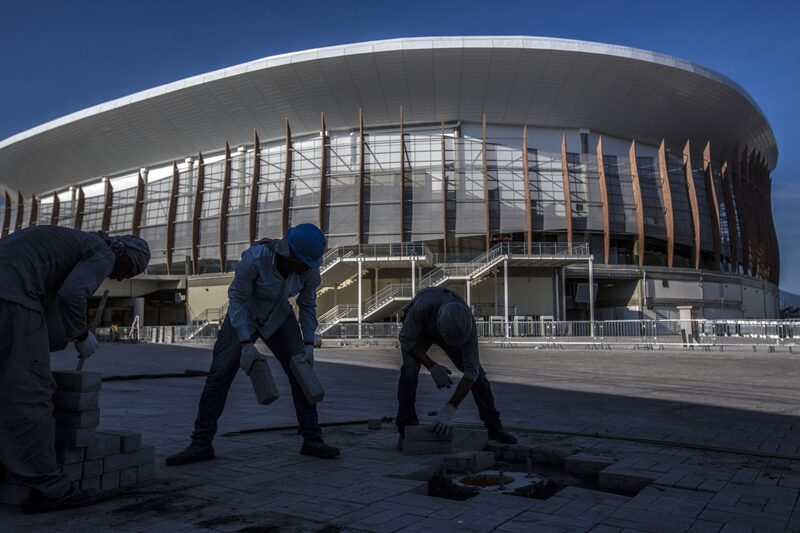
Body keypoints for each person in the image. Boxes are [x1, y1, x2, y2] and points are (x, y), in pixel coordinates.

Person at [0, 226, 151, 514]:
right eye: (125, 272)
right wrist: (81, 335)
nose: (117, 277)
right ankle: (49, 488)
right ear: (126, 256)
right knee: (28, 392)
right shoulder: (102, 251)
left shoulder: (63, 241)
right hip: (10, 299)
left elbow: (52, 299)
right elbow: (72, 295)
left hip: (9, 291)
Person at [166, 223, 339, 466]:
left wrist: (308, 343)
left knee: (301, 372)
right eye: (304, 263)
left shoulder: (308, 271)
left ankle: (312, 439)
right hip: (244, 315)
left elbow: (308, 306)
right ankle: (201, 443)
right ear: (290, 254)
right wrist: (246, 343)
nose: (307, 269)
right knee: (219, 376)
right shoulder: (255, 260)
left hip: (279, 316)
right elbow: (236, 300)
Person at [396, 286, 518, 447]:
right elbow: (406, 340)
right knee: (409, 371)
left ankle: (494, 427)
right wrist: (432, 366)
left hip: (450, 330)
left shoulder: (466, 324)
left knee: (479, 377)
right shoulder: (423, 307)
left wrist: (450, 408)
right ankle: (406, 428)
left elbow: (471, 372)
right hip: (420, 331)